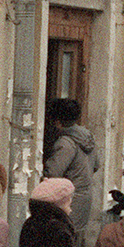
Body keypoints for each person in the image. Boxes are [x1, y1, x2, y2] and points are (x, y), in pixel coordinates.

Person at [42, 98, 99, 237]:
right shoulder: (87, 137)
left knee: (63, 241)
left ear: (57, 121)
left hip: (68, 200)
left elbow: (53, 173)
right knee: (75, 241)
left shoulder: (65, 143)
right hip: (84, 197)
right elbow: (96, 165)